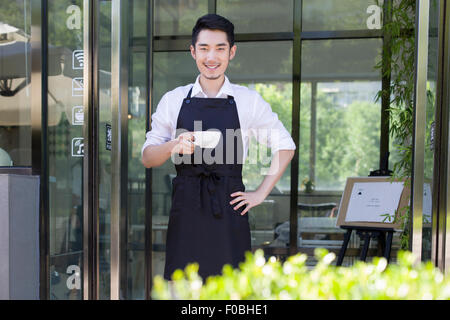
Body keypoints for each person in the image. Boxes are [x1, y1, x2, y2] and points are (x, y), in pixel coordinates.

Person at [141, 14, 296, 281]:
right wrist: (173, 145)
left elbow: (285, 146)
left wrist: (260, 193)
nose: (211, 57)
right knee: (184, 290)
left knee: (231, 290)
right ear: (193, 51)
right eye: (204, 48)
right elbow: (147, 157)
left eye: (220, 48)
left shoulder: (248, 101)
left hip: (229, 209)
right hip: (187, 209)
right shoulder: (174, 100)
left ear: (231, 52)